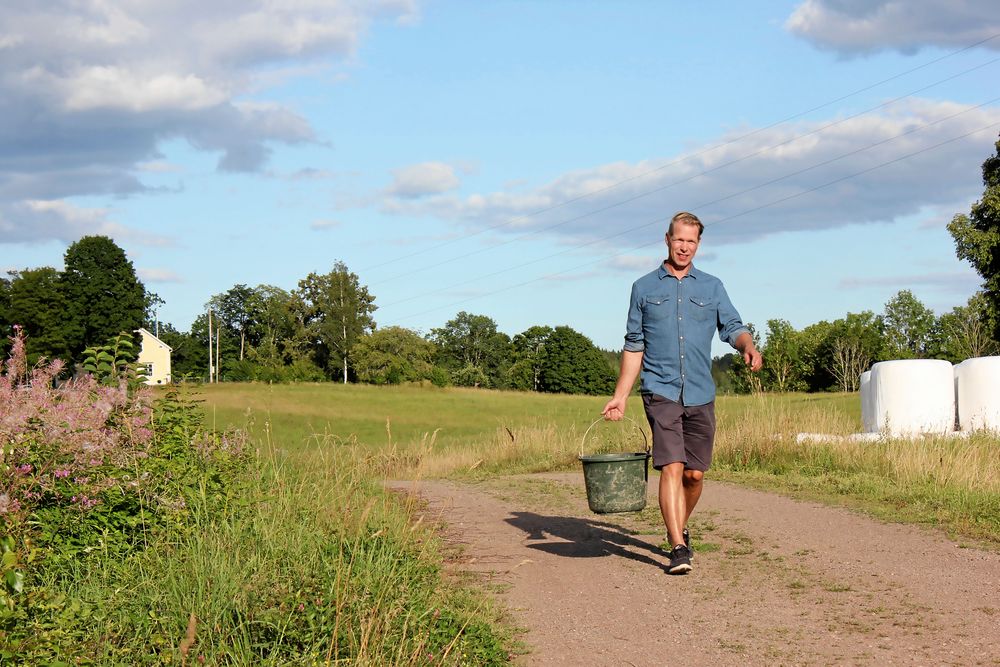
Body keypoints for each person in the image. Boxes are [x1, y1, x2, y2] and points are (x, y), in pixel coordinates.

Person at [602, 211, 762, 574]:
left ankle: (679, 523)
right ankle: (677, 546)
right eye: (679, 239)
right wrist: (621, 395)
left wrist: (747, 346)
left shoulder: (712, 286)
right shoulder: (643, 288)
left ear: (698, 244)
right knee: (671, 467)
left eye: (691, 241)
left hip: (701, 392)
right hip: (660, 389)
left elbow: (733, 326)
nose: (684, 247)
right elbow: (633, 345)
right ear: (667, 240)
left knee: (694, 475)